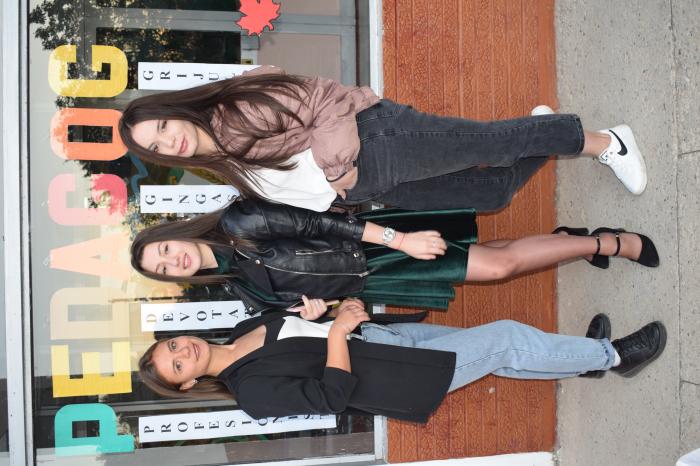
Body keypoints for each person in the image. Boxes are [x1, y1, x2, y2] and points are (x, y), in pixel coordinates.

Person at [118, 66, 647, 213]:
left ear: (173, 110)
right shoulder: (220, 157)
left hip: (375, 141)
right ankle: (540, 131)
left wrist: (336, 169)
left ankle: (606, 142)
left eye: (162, 126)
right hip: (369, 182)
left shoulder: (232, 111)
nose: (169, 141)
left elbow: (321, 99)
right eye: (156, 148)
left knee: (491, 145)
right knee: (492, 193)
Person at [137, 299, 666, 422]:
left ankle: (577, 361)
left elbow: (309, 335)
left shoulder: (242, 328)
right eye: (176, 365)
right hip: (395, 378)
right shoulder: (251, 395)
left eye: (174, 345)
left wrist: (324, 316)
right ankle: (613, 355)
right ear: (186, 385)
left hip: (388, 339)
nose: (184, 352)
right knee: (504, 340)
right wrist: (337, 333)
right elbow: (330, 397)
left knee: (495, 355)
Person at [130, 198, 659, 315]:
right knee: (489, 258)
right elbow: (312, 305)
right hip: (372, 281)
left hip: (374, 244)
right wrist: (318, 313)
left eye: (165, 249)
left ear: (176, 233)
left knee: (498, 266)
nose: (174, 261)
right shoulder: (242, 291)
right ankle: (569, 240)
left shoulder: (238, 223)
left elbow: (320, 224)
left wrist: (397, 240)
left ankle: (604, 242)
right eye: (163, 269)